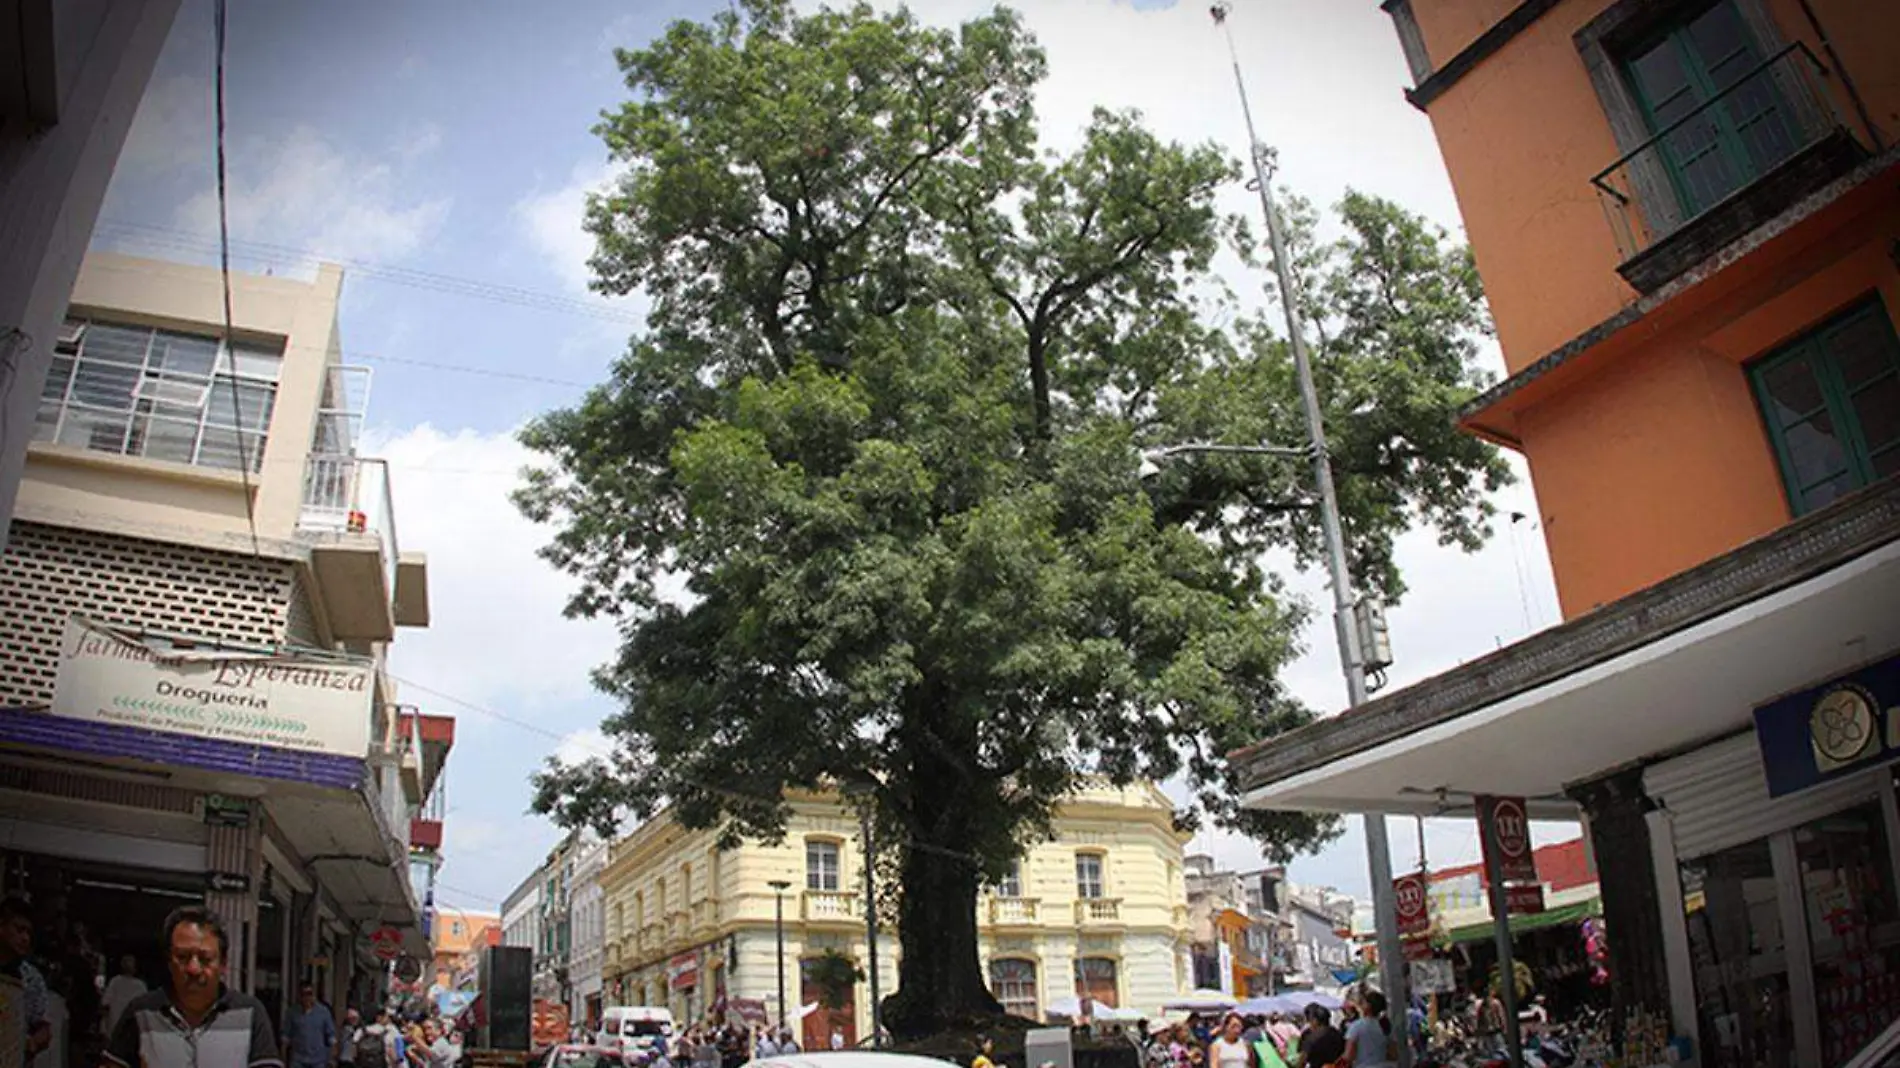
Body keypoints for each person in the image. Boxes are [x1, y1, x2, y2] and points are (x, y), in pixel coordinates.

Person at [102, 906, 282, 1068]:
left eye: (205, 958)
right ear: (169, 961)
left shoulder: (250, 1014)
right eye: (182, 957)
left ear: (224, 963)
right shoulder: (142, 1013)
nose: (193, 968)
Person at [1, 897, 52, 1063]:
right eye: (19, 930)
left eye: (28, 933)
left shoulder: (32, 978)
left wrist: (33, 1042)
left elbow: (44, 1027)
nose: (25, 938)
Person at [284, 984, 337, 1068]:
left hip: (318, 1060)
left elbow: (331, 1036)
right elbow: (286, 1036)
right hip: (298, 1059)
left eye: (309, 994)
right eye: (303, 994)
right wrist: (283, 1057)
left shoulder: (323, 1012)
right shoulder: (292, 1012)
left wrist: (332, 1058)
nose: (307, 997)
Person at [101, 957, 148, 1039]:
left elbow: (105, 1002)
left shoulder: (115, 981)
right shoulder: (140, 985)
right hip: (132, 1024)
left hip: (115, 1021)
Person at [1342, 990, 1390, 1067]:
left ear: (1368, 1006)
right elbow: (1393, 1053)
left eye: (1362, 1003)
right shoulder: (1385, 1025)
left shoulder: (1356, 1026)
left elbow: (1348, 1056)